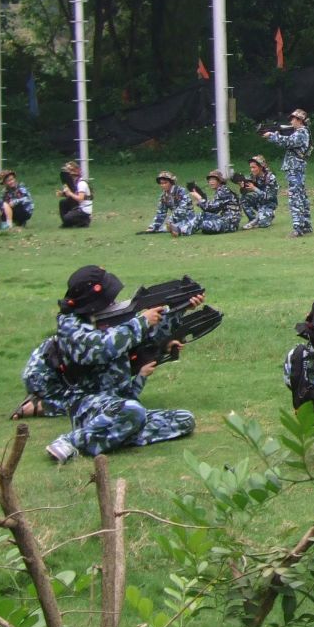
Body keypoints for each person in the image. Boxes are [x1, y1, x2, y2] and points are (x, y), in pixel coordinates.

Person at [45, 265, 197, 463]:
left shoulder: (114, 317)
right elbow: (98, 349)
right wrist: (141, 322)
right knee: (133, 411)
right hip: (87, 404)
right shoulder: (70, 325)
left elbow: (149, 337)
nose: (112, 301)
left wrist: (180, 309)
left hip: (120, 402)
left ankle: (113, 436)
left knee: (185, 419)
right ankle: (69, 442)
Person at [262, 108, 313, 237]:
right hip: (296, 168)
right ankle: (306, 225)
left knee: (295, 198)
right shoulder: (302, 132)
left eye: (294, 119)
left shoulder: (301, 132)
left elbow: (288, 142)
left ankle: (298, 228)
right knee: (301, 196)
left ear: (300, 120)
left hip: (295, 168)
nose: (291, 121)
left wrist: (272, 136)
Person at [181, 169, 243, 235]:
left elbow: (211, 209)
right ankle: (181, 229)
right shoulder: (221, 190)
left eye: (214, 180)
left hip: (229, 224)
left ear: (219, 181)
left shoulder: (223, 191)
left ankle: (182, 229)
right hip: (225, 220)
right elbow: (212, 210)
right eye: (210, 180)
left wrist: (199, 198)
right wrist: (201, 200)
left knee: (204, 224)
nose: (211, 182)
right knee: (202, 215)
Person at [238, 156, 279, 229]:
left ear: (260, 167)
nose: (252, 170)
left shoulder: (270, 178)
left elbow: (269, 196)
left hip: (269, 204)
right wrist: (243, 187)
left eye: (254, 167)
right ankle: (252, 219)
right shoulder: (252, 176)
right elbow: (244, 193)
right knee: (244, 198)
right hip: (258, 201)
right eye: (251, 167)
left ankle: (268, 214)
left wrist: (254, 189)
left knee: (263, 224)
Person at [58, 160, 93, 229]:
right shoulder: (74, 183)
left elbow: (80, 198)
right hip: (78, 206)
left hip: (83, 209)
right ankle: (67, 224)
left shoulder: (81, 183)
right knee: (63, 202)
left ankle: (84, 221)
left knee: (67, 218)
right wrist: (63, 194)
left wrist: (70, 193)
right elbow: (73, 195)